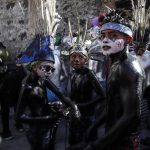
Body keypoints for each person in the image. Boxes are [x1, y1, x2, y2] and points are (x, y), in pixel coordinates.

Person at [84, 10, 145, 150]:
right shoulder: (114, 64)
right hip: (113, 135)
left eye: (113, 36)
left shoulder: (129, 68)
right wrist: (95, 125)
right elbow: (113, 101)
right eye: (103, 35)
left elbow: (131, 116)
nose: (105, 40)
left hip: (124, 141)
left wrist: (99, 143)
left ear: (127, 39)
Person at [15, 35, 80, 150]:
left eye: (52, 69)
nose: (50, 73)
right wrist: (47, 118)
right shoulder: (27, 85)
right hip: (35, 130)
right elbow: (19, 116)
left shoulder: (43, 80)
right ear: (35, 67)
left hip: (46, 126)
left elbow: (60, 94)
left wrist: (73, 106)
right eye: (47, 68)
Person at [67, 44, 105, 149]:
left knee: (87, 141)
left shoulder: (89, 74)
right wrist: (69, 104)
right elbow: (73, 93)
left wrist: (84, 105)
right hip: (75, 113)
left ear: (86, 60)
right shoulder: (72, 74)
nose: (76, 60)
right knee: (74, 140)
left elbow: (102, 95)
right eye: (73, 56)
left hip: (88, 115)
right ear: (69, 59)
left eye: (80, 57)